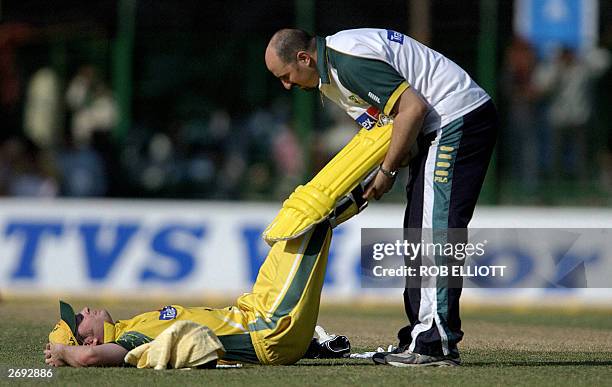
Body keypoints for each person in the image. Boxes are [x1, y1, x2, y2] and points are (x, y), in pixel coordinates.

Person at [265, 28, 498, 366]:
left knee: (434, 231)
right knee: (419, 231)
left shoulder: (347, 63)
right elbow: (389, 135)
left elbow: (413, 109)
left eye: (285, 76)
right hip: (438, 127)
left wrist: (386, 173)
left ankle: (434, 344)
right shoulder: (332, 77)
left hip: (455, 118)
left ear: (304, 58)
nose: (286, 85)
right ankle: (419, 337)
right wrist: (362, 190)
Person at [44, 184, 366, 367]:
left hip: (253, 310)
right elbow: (88, 358)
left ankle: (375, 167)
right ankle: (379, 173)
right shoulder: (130, 343)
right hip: (268, 330)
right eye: (79, 319)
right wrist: (62, 353)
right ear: (88, 338)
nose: (84, 310)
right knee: (313, 222)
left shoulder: (132, 327)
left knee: (292, 220)